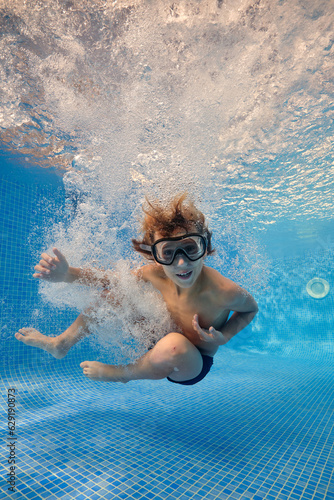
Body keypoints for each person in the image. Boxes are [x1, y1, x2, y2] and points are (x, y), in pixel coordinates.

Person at [15, 193, 258, 385]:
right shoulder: (154, 274)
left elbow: (250, 309)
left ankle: (122, 374)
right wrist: (67, 275)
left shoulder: (223, 290)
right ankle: (62, 343)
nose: (181, 263)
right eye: (169, 253)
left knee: (174, 344)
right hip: (157, 340)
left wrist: (224, 336)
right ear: (154, 255)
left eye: (190, 248)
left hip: (190, 363)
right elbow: (110, 280)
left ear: (204, 247)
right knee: (118, 294)